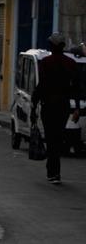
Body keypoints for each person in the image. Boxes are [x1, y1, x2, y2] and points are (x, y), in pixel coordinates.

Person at [32, 32, 82, 184]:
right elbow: (77, 88)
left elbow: (41, 86)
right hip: (63, 107)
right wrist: (77, 108)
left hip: (49, 106)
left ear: (53, 46)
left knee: (51, 137)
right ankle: (54, 171)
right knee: (57, 138)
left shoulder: (46, 63)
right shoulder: (71, 63)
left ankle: (53, 171)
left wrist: (34, 105)